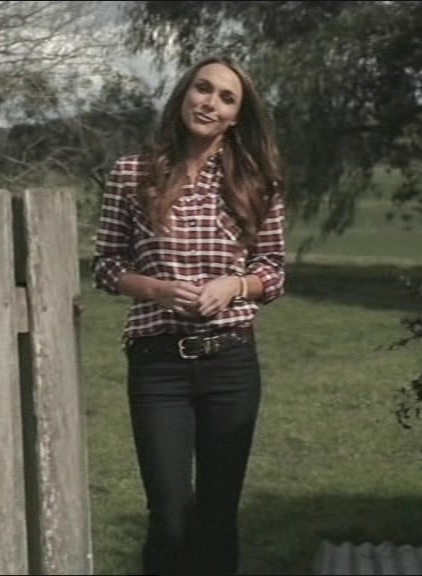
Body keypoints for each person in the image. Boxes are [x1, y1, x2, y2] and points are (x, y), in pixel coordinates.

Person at [92, 55, 285, 576]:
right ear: (183, 94)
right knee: (170, 519)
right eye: (203, 89)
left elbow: (272, 270)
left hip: (231, 363)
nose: (210, 103)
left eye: (226, 98)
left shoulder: (257, 181)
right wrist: (155, 290)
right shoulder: (132, 173)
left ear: (236, 117)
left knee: (218, 517)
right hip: (158, 365)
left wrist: (234, 286)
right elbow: (107, 265)